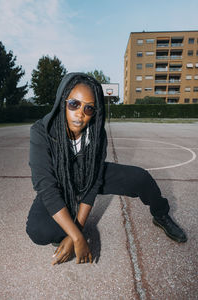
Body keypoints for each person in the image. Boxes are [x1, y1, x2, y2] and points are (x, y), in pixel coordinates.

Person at [26, 72, 187, 265]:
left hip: (87, 176)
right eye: (74, 104)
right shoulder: (41, 132)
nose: (80, 113)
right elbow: (46, 188)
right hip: (60, 182)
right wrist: (77, 236)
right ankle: (66, 226)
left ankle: (160, 214)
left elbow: (93, 184)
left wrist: (76, 231)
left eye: (89, 108)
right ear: (62, 102)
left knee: (141, 178)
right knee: (39, 231)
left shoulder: (96, 133)